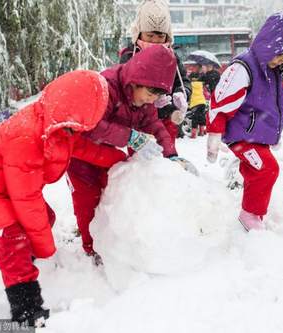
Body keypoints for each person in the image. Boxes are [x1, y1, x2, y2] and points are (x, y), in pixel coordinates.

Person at [0, 70, 126, 326]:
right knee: (12, 238)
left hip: (8, 182)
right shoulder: (27, 133)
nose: (75, 134)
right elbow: (26, 198)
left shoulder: (61, 129)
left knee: (44, 219)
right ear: (65, 110)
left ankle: (25, 260)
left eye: (79, 129)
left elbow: (86, 149)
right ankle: (27, 311)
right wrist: (44, 248)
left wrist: (121, 160)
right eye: (74, 128)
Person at [68, 45, 198, 257]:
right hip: (81, 149)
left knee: (112, 193)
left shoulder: (145, 100)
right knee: (87, 199)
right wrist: (129, 136)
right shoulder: (107, 86)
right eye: (148, 94)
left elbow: (155, 126)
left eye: (155, 97)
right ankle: (91, 248)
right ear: (135, 80)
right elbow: (92, 125)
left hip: (108, 152)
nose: (150, 101)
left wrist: (171, 155)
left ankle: (113, 244)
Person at [206, 12, 283, 231]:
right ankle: (250, 215)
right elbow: (219, 102)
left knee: (259, 169)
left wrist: (274, 134)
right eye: (280, 54)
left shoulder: (276, 72)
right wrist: (214, 135)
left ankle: (254, 208)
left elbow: (275, 106)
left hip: (257, 137)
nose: (282, 60)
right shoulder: (243, 68)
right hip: (241, 136)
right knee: (267, 169)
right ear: (269, 43)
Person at [119, 0, 191, 142]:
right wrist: (150, 101)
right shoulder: (130, 56)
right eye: (150, 36)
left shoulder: (172, 58)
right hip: (139, 123)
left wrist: (182, 93)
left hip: (167, 120)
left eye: (160, 37)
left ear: (167, 36)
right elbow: (123, 89)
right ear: (139, 34)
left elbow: (183, 81)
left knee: (166, 158)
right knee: (140, 161)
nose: (155, 41)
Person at [187, 62, 208, 138]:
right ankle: (202, 131)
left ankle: (193, 134)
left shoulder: (191, 84)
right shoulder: (202, 81)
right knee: (201, 117)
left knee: (195, 118)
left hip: (195, 102)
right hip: (202, 101)